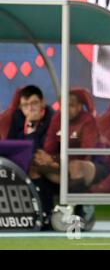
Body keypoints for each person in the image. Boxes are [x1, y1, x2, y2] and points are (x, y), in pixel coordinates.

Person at [32, 92, 110, 225]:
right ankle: (45, 212)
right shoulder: (57, 119)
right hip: (63, 163)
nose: (67, 109)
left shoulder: (87, 120)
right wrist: (47, 158)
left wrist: (54, 160)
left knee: (75, 166)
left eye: (71, 106)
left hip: (93, 165)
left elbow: (85, 153)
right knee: (35, 165)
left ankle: (80, 212)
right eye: (64, 106)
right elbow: (48, 147)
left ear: (79, 107)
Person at [7, 85, 55, 229]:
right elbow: (11, 143)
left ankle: (44, 215)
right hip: (21, 162)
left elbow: (42, 150)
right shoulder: (17, 117)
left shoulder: (52, 118)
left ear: (42, 102)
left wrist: (31, 129)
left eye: (34, 103)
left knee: (36, 164)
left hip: (48, 163)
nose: (30, 108)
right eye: (25, 105)